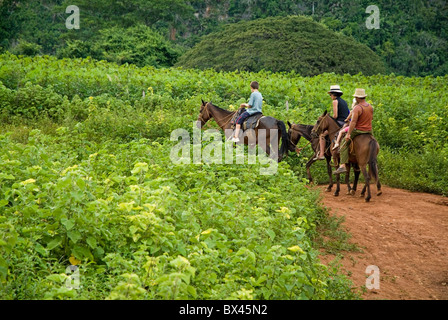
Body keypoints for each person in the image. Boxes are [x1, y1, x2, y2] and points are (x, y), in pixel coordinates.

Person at [333, 88, 374, 174]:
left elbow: (353, 122)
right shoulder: (370, 107)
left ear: (358, 98)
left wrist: (348, 134)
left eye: (356, 97)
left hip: (358, 130)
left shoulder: (357, 108)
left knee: (343, 144)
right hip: (369, 131)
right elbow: (371, 119)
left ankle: (343, 165)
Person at [314, 85, 350, 160]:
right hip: (346, 123)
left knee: (322, 135)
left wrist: (329, 117)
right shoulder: (344, 101)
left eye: (330, 94)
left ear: (333, 94)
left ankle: (321, 154)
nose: (330, 96)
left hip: (339, 122)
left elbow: (335, 115)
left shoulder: (335, 101)